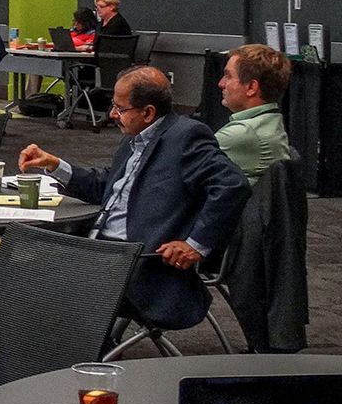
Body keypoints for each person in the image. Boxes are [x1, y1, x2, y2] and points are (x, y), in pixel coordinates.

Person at [18, 66, 250, 330]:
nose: (112, 114)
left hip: (137, 262)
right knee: (12, 268)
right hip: (97, 249)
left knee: (29, 278)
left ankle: (66, 352)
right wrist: (54, 164)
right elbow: (106, 187)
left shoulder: (185, 137)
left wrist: (195, 244)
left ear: (148, 112)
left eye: (120, 108)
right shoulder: (135, 138)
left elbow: (232, 184)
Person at [215, 44, 293, 184]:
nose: (221, 83)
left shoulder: (242, 134)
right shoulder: (270, 121)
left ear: (251, 87)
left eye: (228, 76)